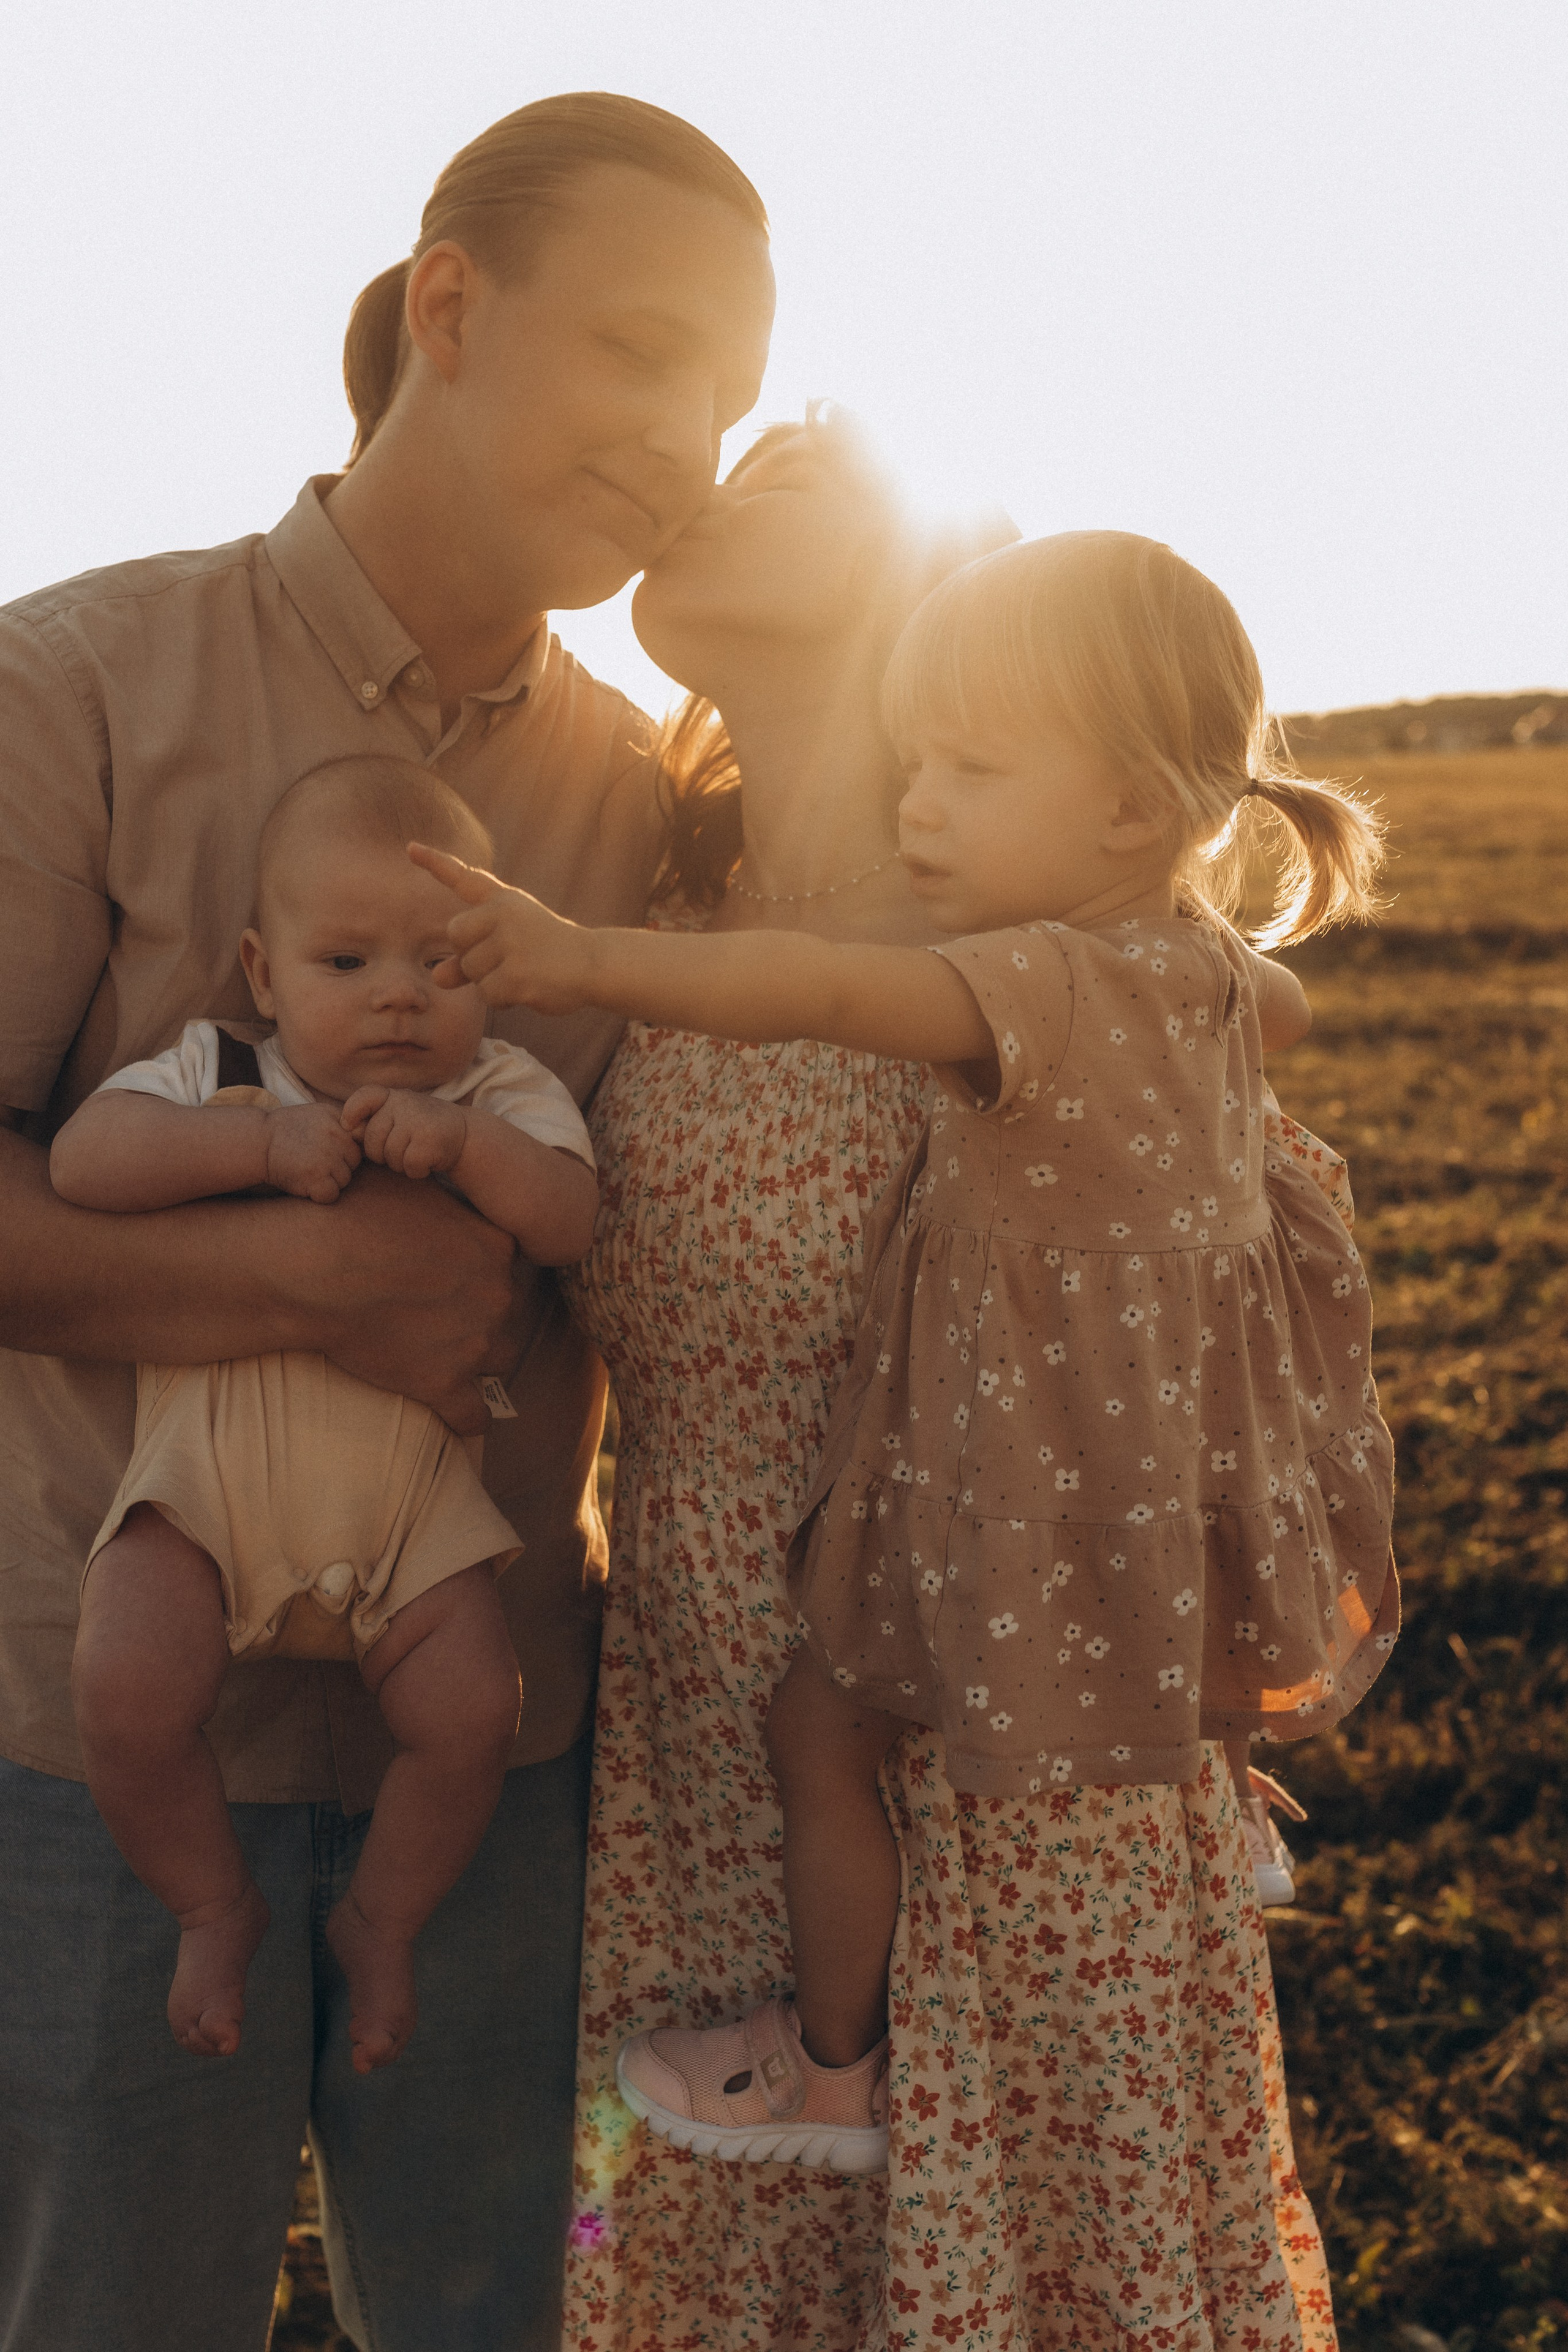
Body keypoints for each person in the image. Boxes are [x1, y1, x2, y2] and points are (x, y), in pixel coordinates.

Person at [0, 92, 773, 2352]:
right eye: (645, 353)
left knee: (530, 2323)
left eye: (727, 393)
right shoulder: (70, 691)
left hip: (513, 1750)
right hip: (100, 1756)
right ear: (449, 308)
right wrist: (307, 1272)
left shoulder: (643, 798)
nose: (688, 439)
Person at [455, 409, 1348, 2350]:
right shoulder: (665, 923)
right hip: (706, 1742)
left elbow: (1221, 1316)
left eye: (781, 476)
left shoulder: (1070, 975)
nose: (706, 479)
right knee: (715, 2265)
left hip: (994, 1764)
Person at [51, 758, 599, 2073]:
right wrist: (254, 1147)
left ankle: (381, 1921)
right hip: (207, 1496)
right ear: (262, 970)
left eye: (441, 963)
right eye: (346, 962)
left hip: (409, 1516)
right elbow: (82, 1164)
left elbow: (573, 1219)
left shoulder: (497, 1095)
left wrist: (467, 1152)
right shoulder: (218, 1070)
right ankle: (211, 1901)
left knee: (474, 1711)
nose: (400, 994)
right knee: (124, 1691)